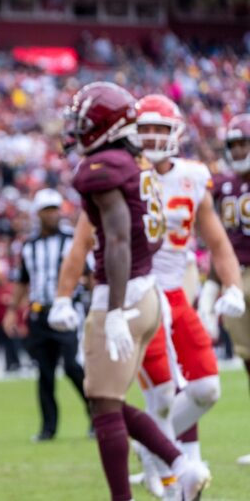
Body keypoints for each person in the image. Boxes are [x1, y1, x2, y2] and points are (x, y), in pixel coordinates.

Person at [52, 82, 210, 500]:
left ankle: (133, 491)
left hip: (119, 296)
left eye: (84, 122)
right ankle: (181, 464)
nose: (76, 130)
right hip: (148, 292)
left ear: (106, 125)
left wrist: (116, 310)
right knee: (111, 400)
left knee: (103, 408)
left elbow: (119, 239)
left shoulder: (103, 167)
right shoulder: (133, 162)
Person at [123, 95, 244, 494]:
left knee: (207, 388)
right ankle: (178, 476)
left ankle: (153, 447)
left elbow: (218, 242)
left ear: (175, 133)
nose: (154, 137)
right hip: (139, 294)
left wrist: (232, 287)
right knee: (159, 399)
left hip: (176, 293)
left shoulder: (192, 176)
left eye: (161, 128)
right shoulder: (120, 174)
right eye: (146, 128)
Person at [4, 188, 87, 442]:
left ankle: (96, 416)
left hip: (66, 310)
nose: (53, 215)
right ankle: (48, 428)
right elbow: (22, 280)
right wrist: (11, 311)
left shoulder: (72, 239)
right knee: (45, 372)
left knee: (73, 366)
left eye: (55, 209)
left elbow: (89, 272)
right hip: (39, 313)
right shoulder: (29, 245)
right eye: (47, 210)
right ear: (38, 214)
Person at [202, 112, 250, 465]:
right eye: (233, 144)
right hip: (237, 277)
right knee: (249, 361)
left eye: (243, 142)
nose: (238, 149)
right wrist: (212, 285)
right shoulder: (223, 186)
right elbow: (220, 243)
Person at [0, 273, 21, 372]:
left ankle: (11, 364)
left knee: (10, 344)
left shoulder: (9, 289)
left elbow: (16, 304)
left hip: (8, 323)